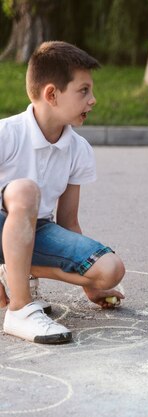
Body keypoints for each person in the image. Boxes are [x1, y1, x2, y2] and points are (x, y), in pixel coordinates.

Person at [0, 41, 125, 344]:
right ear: (52, 94)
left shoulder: (78, 149)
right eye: (84, 91)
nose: (93, 100)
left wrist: (91, 283)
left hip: (36, 230)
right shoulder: (6, 134)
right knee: (25, 190)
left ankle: (15, 272)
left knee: (110, 269)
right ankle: (20, 307)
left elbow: (68, 222)